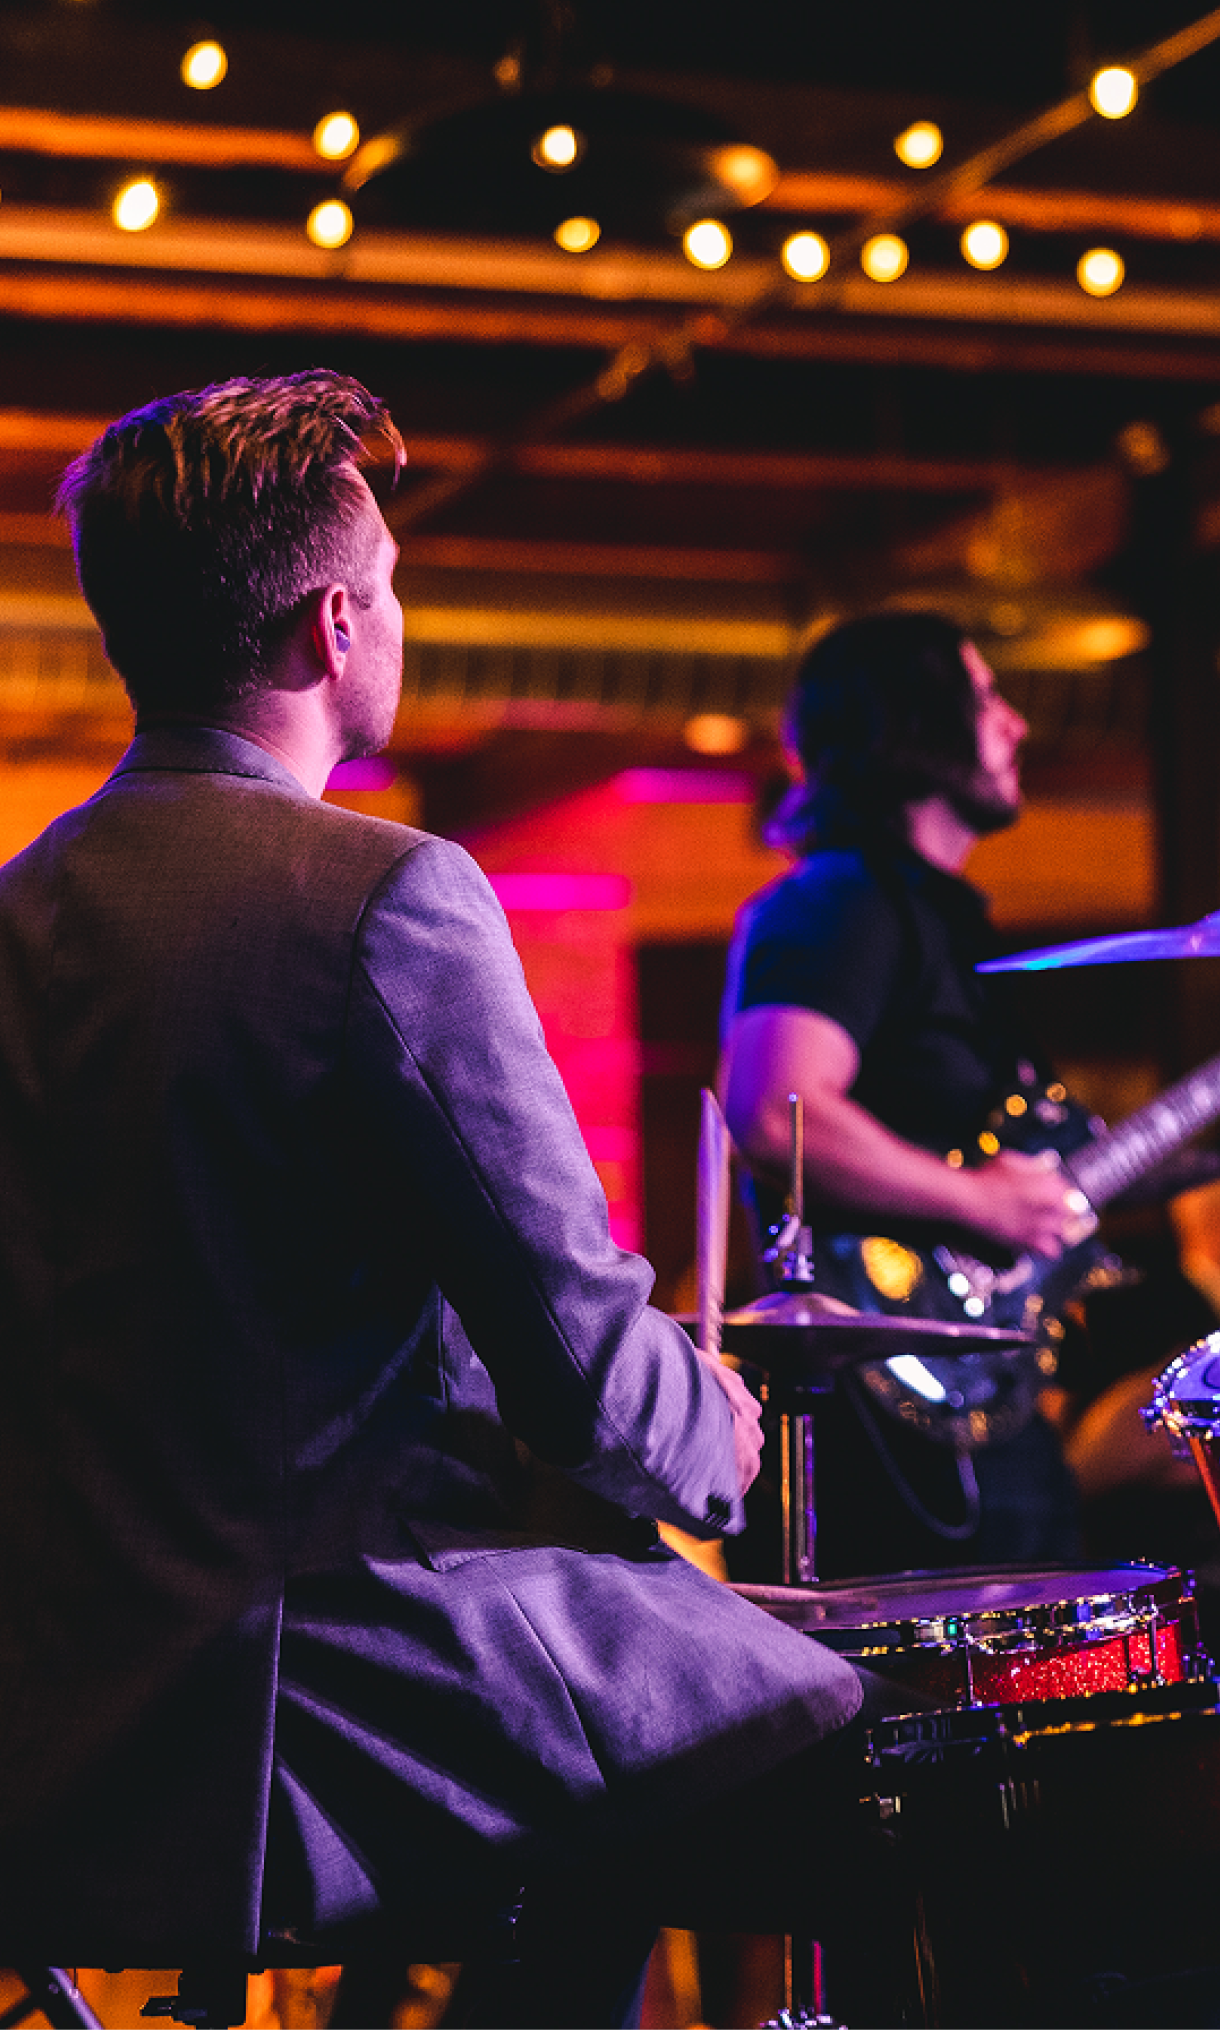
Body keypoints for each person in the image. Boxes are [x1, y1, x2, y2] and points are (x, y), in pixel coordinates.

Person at [0, 373, 869, 2027]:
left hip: (51, 1705)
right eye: (389, 587)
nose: (398, 616)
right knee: (828, 1718)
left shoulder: (16, 907)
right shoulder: (387, 899)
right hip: (296, 1696)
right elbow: (584, 1362)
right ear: (335, 624)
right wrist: (724, 1430)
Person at [719, 610, 1096, 1578]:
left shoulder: (938, 921)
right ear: (914, 724)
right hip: (877, 1438)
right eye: (984, 699)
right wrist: (978, 1200)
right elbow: (774, 1111)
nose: (1013, 725)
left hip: (979, 1409)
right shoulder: (836, 899)